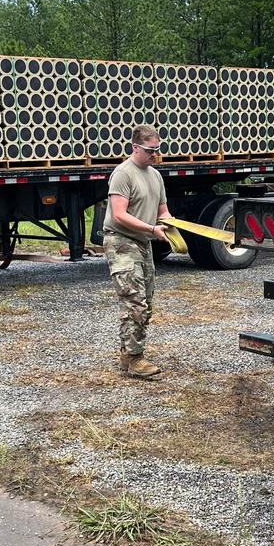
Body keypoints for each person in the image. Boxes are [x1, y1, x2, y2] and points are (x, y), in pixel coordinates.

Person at [103, 126, 174, 379]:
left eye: (157, 149)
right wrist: (152, 228)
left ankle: (128, 353)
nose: (155, 154)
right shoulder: (123, 174)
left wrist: (172, 225)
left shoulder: (155, 175)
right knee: (134, 301)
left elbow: (162, 211)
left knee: (147, 302)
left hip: (143, 244)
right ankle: (135, 359)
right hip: (122, 242)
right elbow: (119, 215)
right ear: (135, 147)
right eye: (149, 150)